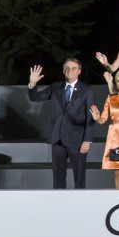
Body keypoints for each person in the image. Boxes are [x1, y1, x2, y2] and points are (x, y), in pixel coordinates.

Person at [27, 59, 95, 189]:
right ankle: (59, 205)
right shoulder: (55, 87)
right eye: (67, 68)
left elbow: (91, 116)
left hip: (78, 140)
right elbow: (35, 98)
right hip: (57, 138)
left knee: (79, 178)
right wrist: (32, 83)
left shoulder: (86, 90)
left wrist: (87, 140)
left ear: (79, 71)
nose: (70, 70)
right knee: (58, 178)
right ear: (63, 70)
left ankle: (80, 205)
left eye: (74, 68)